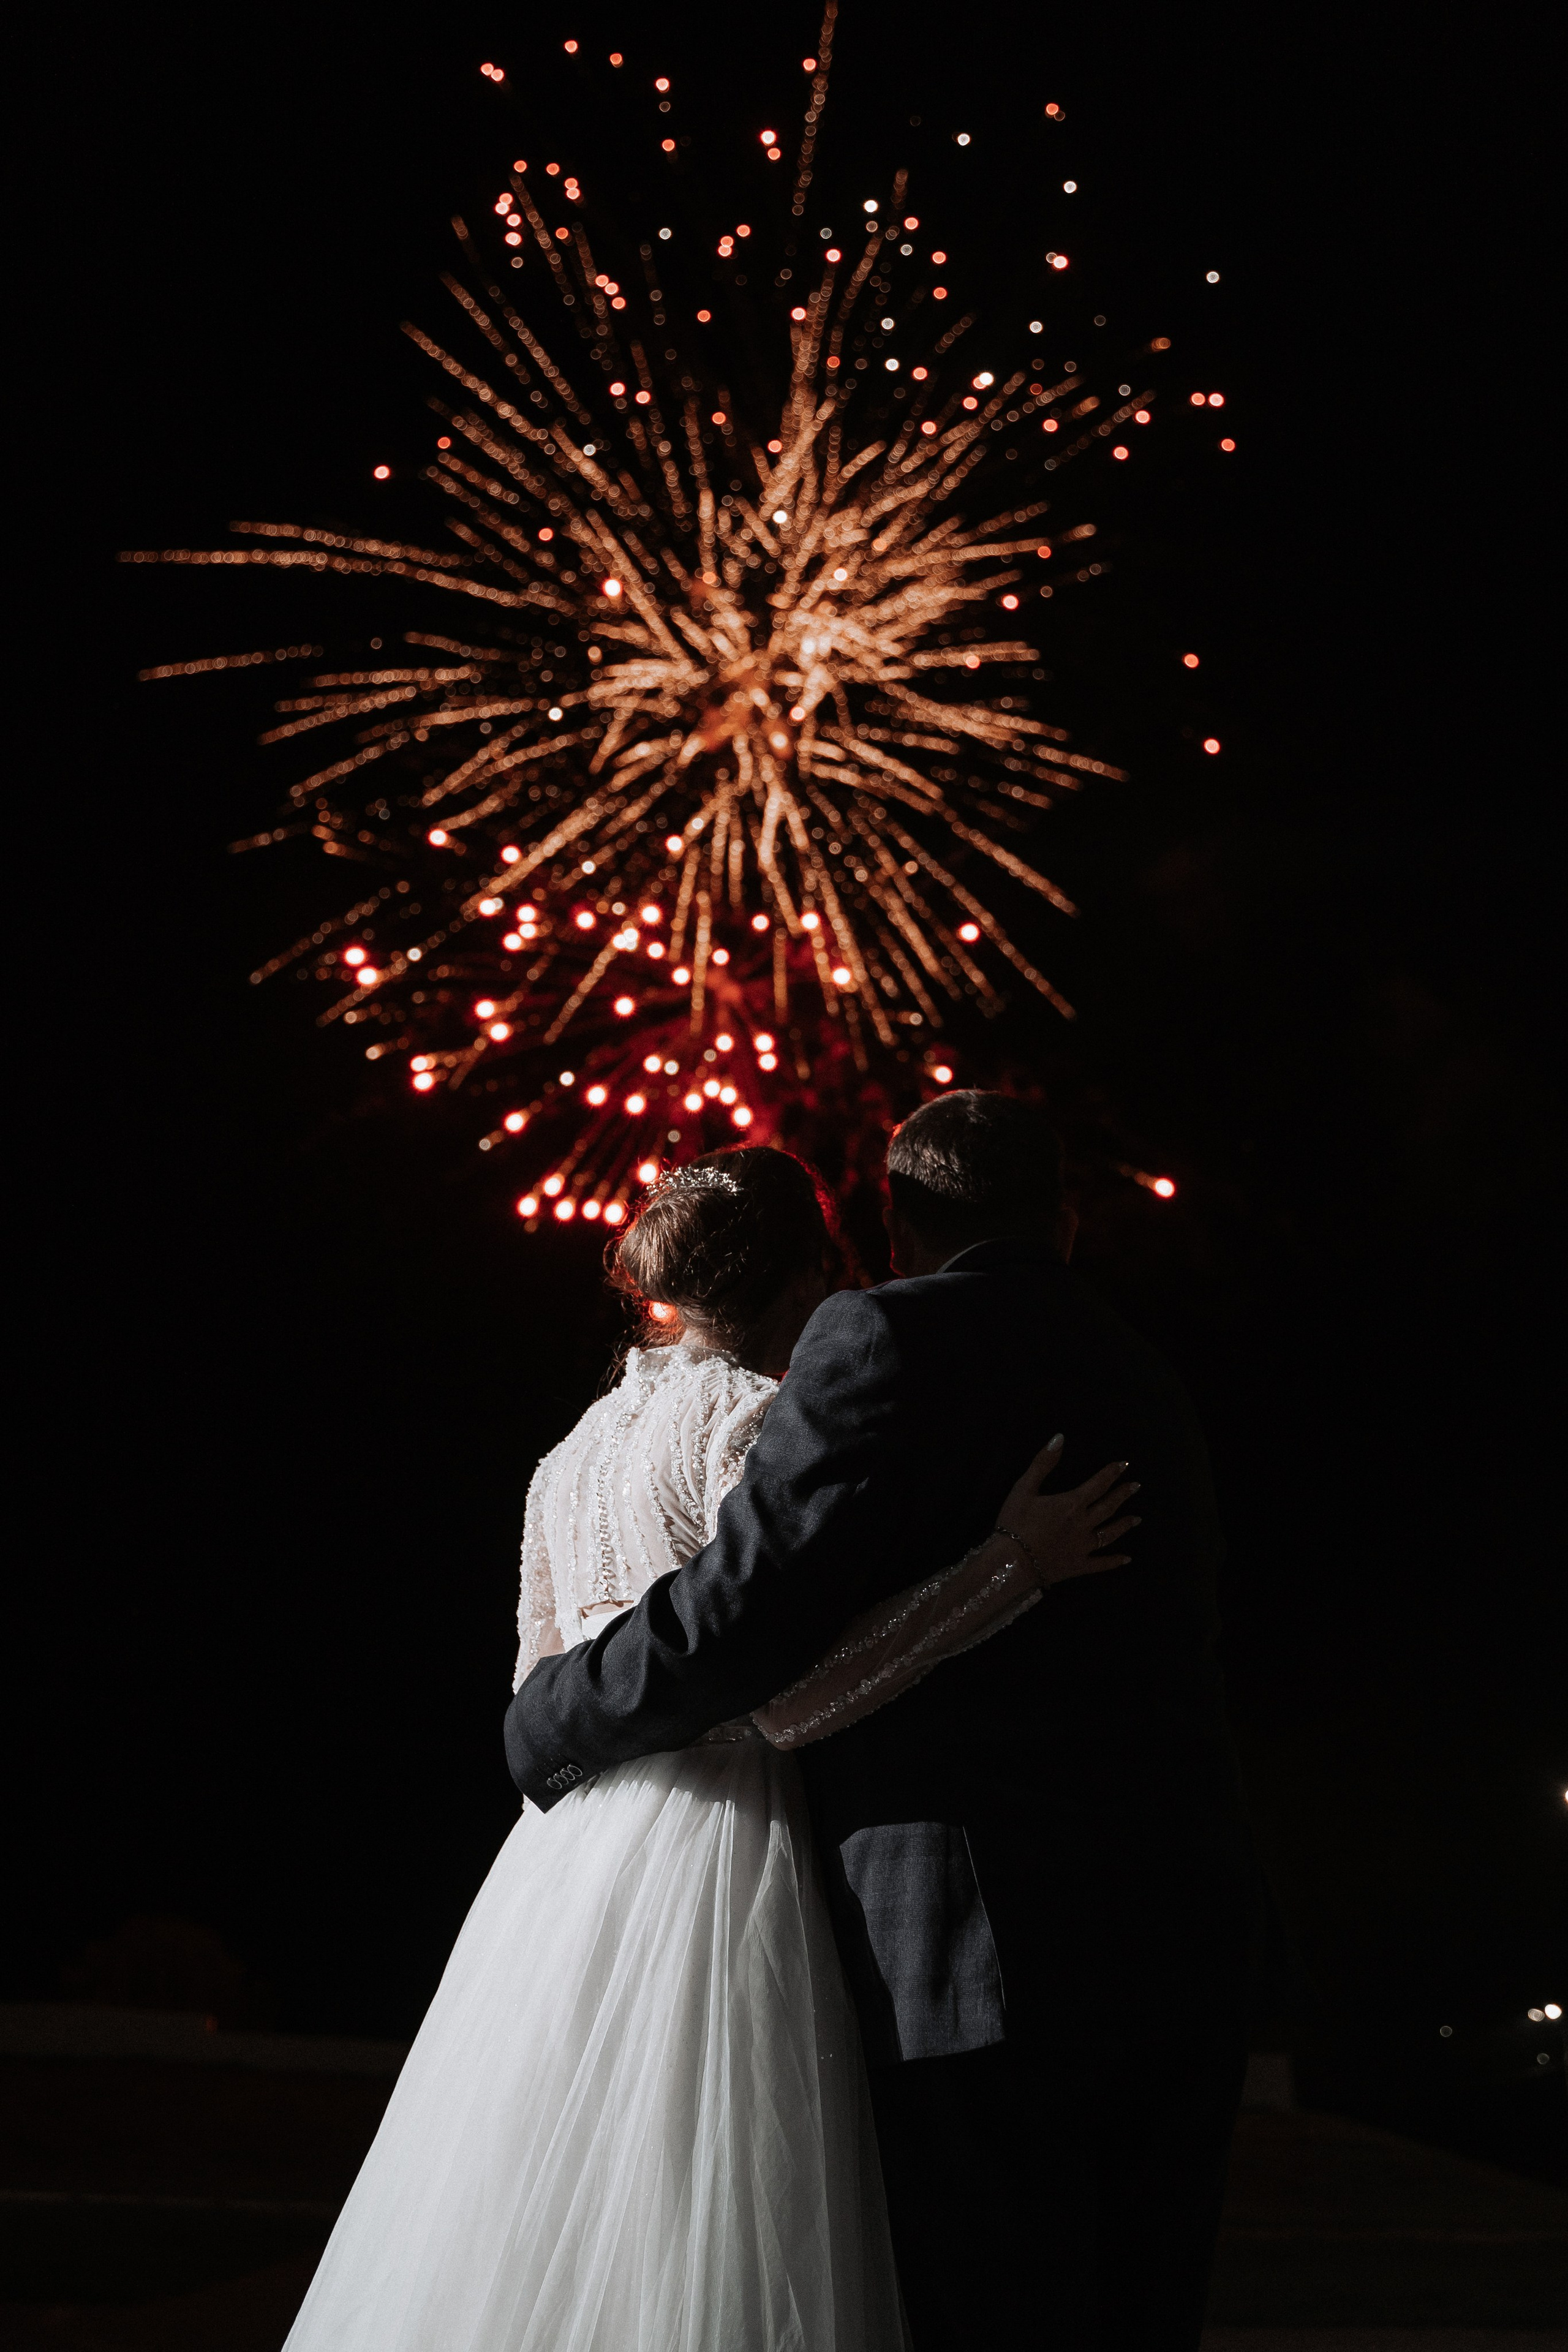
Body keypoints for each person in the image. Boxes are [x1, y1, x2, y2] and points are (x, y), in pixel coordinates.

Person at [284, 1141, 1137, 2352]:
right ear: (805, 1281)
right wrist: (1006, 1570)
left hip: (559, 1870)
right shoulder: (747, 1421)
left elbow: (550, 1688)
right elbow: (785, 1699)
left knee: (548, 2210)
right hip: (719, 1853)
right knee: (714, 2204)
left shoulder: (566, 1460)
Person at [508, 1094, 1262, 2350]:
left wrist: (551, 1721)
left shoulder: (862, 1343)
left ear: (896, 1228)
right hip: (1178, 1925)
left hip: (965, 1927)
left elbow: (747, 1630)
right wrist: (1008, 1566)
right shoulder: (1148, 1369)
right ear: (1064, 1222)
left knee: (978, 2299)